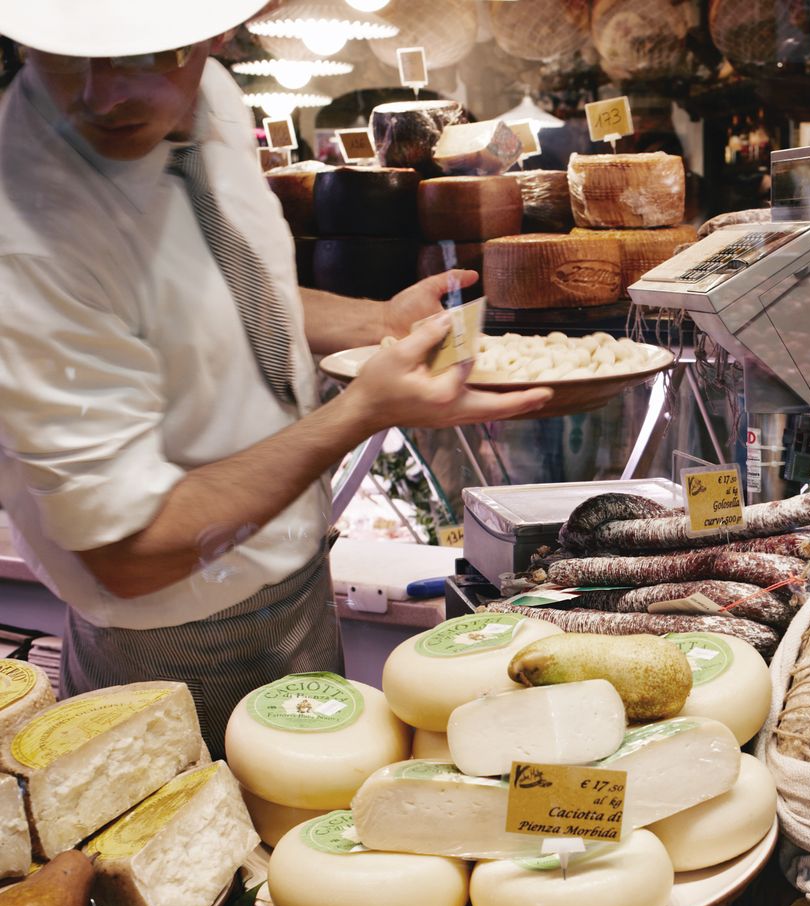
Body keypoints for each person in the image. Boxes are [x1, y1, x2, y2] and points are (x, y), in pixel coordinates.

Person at [0, 1, 551, 754]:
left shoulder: (213, 94)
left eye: (148, 55)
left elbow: (226, 286)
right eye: (67, 56)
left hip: (297, 587)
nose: (103, 93)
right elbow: (127, 553)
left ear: (214, 35)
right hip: (171, 637)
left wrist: (375, 323)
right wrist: (359, 411)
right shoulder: (23, 237)